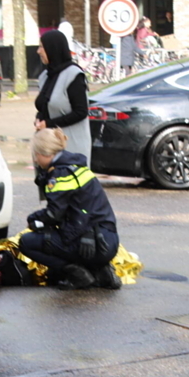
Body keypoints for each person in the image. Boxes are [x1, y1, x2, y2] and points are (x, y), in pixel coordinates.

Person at [19, 128, 121, 291]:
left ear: (42, 153)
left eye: (36, 156)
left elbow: (54, 214)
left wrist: (34, 219)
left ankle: (78, 274)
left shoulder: (59, 174)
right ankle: (100, 269)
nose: (36, 161)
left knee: (27, 242)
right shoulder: (77, 166)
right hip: (107, 239)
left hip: (92, 244)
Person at [34, 29, 90, 161]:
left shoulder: (74, 75)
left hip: (71, 148)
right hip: (48, 147)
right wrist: (39, 119)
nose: (38, 51)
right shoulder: (45, 76)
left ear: (52, 48)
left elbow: (81, 112)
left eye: (41, 47)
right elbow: (44, 107)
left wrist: (48, 123)